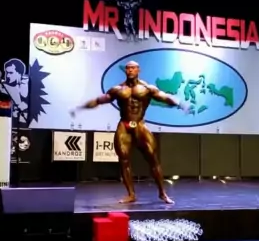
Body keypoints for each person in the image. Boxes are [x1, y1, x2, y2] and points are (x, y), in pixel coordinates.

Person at [71, 60, 189, 204]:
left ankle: (162, 193)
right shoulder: (118, 89)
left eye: (133, 68)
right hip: (124, 125)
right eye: (128, 68)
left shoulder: (147, 88)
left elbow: (164, 97)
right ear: (125, 71)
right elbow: (99, 100)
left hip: (140, 125)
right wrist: (81, 107)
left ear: (138, 70)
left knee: (153, 159)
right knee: (124, 160)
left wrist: (180, 103)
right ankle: (131, 194)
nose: (130, 70)